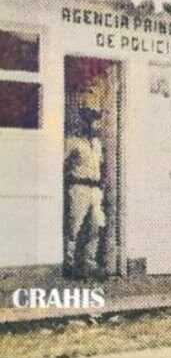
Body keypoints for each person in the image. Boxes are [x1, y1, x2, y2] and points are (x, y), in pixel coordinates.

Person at [64, 107, 106, 278]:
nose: (91, 124)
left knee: (96, 225)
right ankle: (68, 265)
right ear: (81, 121)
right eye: (87, 120)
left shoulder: (97, 144)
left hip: (95, 189)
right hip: (78, 187)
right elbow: (61, 163)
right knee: (74, 227)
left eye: (93, 120)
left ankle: (89, 264)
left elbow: (100, 165)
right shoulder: (72, 141)